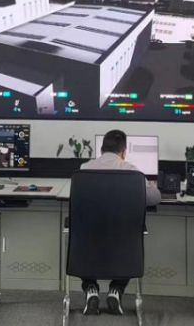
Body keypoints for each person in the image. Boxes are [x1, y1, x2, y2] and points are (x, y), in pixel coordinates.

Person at [78, 130, 161, 316]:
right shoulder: (133, 172)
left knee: (83, 236)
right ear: (123, 152)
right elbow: (155, 198)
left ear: (101, 150)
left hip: (89, 239)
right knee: (132, 238)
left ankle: (91, 288)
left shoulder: (84, 169)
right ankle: (117, 289)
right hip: (123, 239)